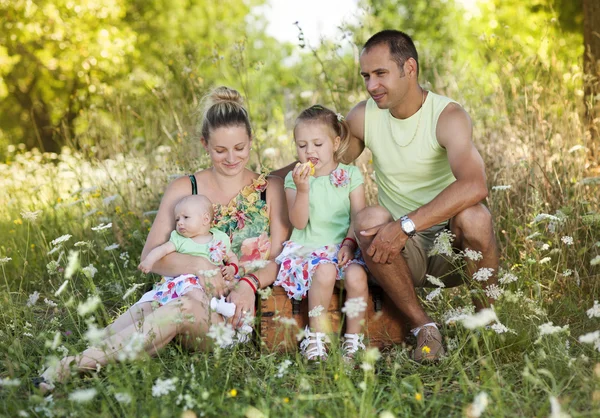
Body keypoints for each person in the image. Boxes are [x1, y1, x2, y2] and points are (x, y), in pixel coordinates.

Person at [35, 86, 290, 391]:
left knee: (180, 311)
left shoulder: (270, 188)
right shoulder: (186, 187)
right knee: (124, 325)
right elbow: (153, 256)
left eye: (240, 148)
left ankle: (70, 367)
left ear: (251, 141)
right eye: (220, 150)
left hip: (229, 313)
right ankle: (76, 370)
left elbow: (281, 257)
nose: (231, 158)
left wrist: (249, 284)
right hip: (177, 291)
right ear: (204, 144)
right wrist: (197, 264)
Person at [346, 30, 499, 362]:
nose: (371, 85)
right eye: (366, 76)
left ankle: (487, 324)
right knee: (368, 220)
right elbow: (323, 160)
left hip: (451, 247)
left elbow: (475, 184)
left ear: (409, 68)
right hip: (398, 254)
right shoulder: (363, 116)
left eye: (380, 74)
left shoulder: (447, 115)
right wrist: (253, 178)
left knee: (476, 216)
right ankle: (424, 328)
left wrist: (405, 225)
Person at [274, 105, 369, 361]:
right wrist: (303, 189)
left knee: (358, 276)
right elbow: (299, 222)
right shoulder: (295, 178)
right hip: (309, 249)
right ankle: (315, 338)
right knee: (325, 270)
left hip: (343, 247)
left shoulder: (350, 175)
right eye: (302, 145)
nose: (309, 151)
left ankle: (353, 339)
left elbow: (358, 218)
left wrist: (349, 244)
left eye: (317, 143)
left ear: (336, 142)